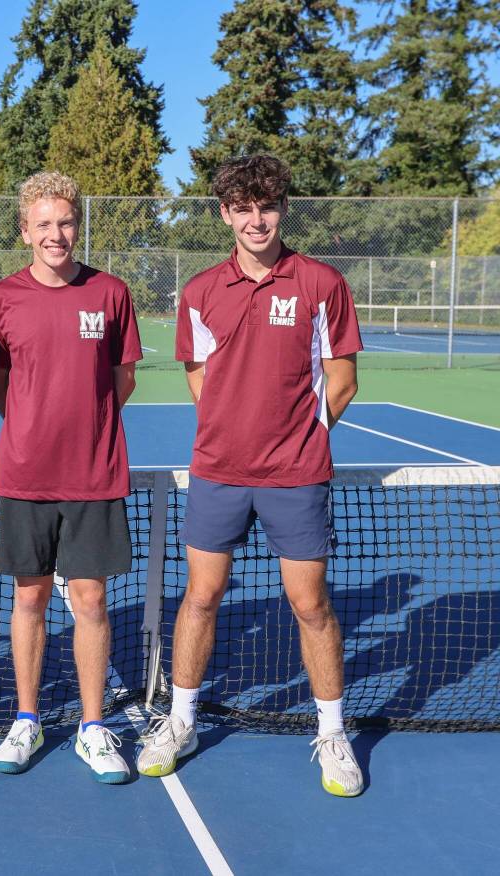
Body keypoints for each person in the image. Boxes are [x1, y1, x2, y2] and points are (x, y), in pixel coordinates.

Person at [137, 154, 365, 797]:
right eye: (243, 208)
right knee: (201, 597)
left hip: (296, 476)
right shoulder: (201, 291)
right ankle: (180, 720)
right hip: (219, 473)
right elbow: (197, 375)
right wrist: (231, 430)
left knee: (310, 605)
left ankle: (331, 731)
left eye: (266, 206)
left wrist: (299, 437)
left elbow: (342, 379)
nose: (256, 219)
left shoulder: (321, 283)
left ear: (283, 209)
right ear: (225, 215)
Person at [0, 171, 142, 783]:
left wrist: (85, 429)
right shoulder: (1, 299)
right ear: (25, 231)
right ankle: (27, 719)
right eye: (43, 224)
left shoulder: (111, 293)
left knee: (91, 600)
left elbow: (122, 380)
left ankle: (94, 727)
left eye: (66, 222)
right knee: (30, 597)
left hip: (94, 476)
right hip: (25, 474)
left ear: (79, 224)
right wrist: (35, 427)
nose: (56, 234)